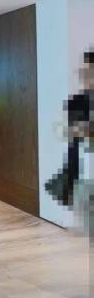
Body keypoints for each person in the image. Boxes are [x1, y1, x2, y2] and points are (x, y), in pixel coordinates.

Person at [45, 50, 93, 207]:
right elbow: (59, 129)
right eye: (84, 72)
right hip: (79, 174)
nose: (85, 76)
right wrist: (74, 130)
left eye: (90, 71)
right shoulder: (75, 101)